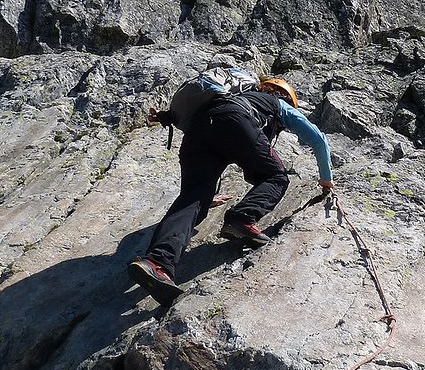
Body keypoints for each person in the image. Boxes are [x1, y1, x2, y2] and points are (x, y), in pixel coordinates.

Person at [128, 77, 334, 303]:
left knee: (192, 200)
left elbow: (224, 143)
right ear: (283, 96)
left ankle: (156, 262)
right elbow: (318, 140)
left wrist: (206, 198)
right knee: (276, 177)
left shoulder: (232, 95)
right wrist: (326, 181)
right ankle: (241, 218)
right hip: (235, 120)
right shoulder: (279, 104)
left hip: (197, 130)